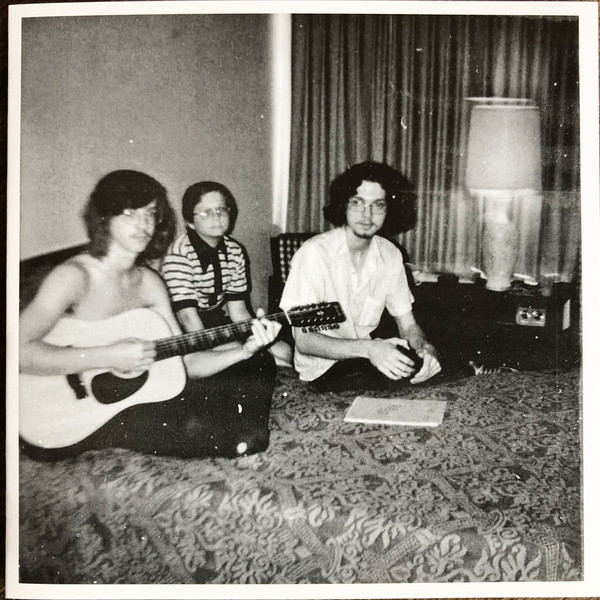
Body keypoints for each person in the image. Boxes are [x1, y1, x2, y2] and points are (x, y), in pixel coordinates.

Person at [19, 170, 281, 461]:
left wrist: (244, 351)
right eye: (129, 213)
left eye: (150, 214)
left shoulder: (149, 283)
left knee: (256, 365)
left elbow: (186, 363)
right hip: (57, 420)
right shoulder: (74, 276)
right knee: (210, 427)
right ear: (104, 217)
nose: (143, 224)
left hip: (122, 402)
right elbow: (17, 352)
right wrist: (108, 356)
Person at [279, 161, 441, 392]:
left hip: (366, 359)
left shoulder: (390, 254)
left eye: (378, 205)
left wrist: (426, 350)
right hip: (322, 369)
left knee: (433, 365)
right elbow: (305, 341)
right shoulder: (314, 253)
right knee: (392, 380)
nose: (367, 215)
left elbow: (408, 326)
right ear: (343, 205)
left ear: (389, 210)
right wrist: (370, 349)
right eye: (357, 203)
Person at [160, 180, 292, 366]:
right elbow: (187, 317)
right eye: (206, 212)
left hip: (216, 321)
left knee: (283, 351)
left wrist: (257, 337)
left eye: (222, 210)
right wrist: (211, 354)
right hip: (182, 329)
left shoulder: (234, 250)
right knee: (260, 361)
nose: (217, 217)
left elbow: (238, 310)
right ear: (190, 222)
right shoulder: (179, 254)